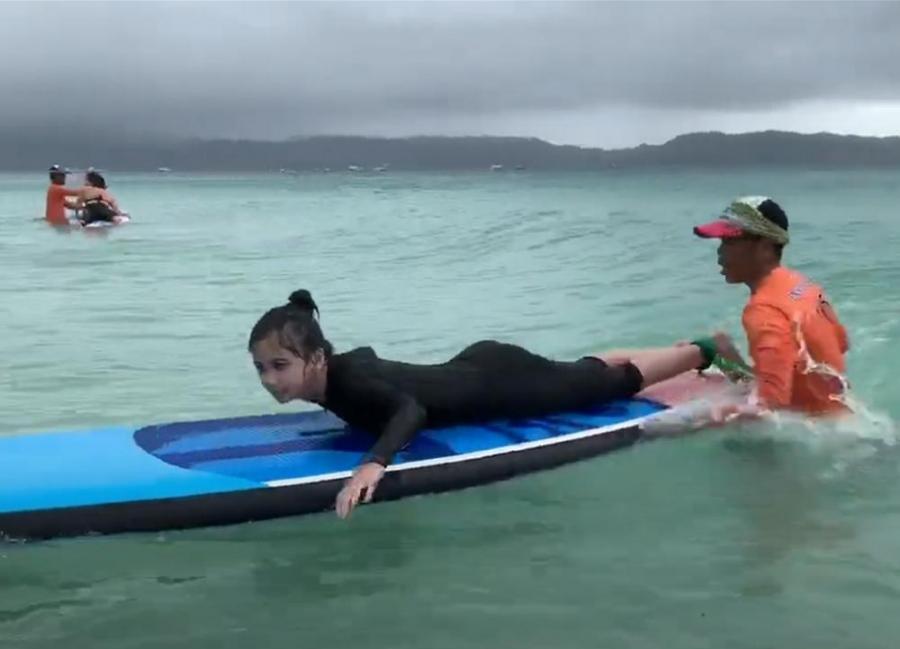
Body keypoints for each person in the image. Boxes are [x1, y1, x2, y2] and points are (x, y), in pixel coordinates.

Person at [249, 289, 726, 518]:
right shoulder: (337, 372)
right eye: (262, 368)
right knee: (576, 374)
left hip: (502, 386)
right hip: (479, 366)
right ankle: (670, 351)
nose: (270, 380)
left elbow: (410, 411)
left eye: (280, 366)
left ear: (317, 358)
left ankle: (703, 350)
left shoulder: (347, 381)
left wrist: (373, 464)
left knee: (612, 386)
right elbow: (372, 360)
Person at [692, 195, 850, 419]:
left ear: (765, 247)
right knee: (719, 345)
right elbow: (842, 344)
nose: (720, 252)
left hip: (810, 427)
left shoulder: (763, 309)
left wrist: (710, 415)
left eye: (728, 242)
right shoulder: (803, 285)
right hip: (840, 411)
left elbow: (771, 406)